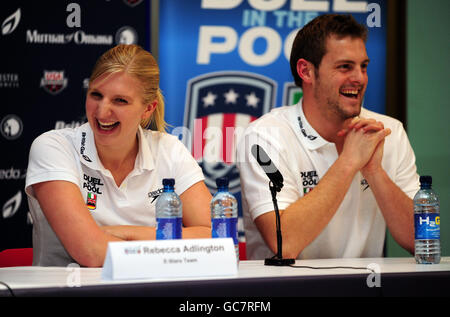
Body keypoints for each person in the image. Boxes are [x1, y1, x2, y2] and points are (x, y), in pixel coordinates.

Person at [236, 14, 420, 260]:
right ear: (306, 71)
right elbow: (284, 242)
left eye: (363, 66)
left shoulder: (389, 131)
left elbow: (422, 241)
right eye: (345, 66)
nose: (360, 78)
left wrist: (375, 172)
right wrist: (348, 162)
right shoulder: (264, 138)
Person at [25, 44, 212, 267]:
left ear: (148, 109)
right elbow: (91, 252)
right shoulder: (53, 147)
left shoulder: (169, 149)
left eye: (120, 100)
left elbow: (217, 236)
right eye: (96, 95)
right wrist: (170, 243)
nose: (102, 112)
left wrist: (122, 233)